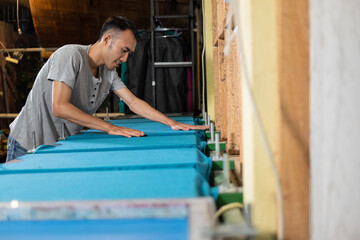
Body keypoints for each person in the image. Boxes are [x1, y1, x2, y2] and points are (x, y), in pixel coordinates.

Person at [6, 16, 208, 162]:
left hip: (57, 147)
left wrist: (171, 122)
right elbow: (59, 107)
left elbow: (132, 101)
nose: (126, 59)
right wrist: (110, 127)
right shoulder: (70, 56)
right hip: (27, 145)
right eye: (124, 50)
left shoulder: (108, 72)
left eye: (129, 53)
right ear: (106, 39)